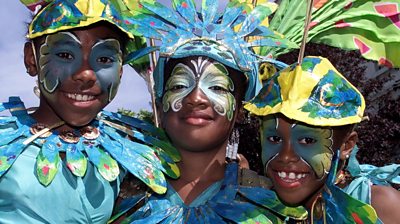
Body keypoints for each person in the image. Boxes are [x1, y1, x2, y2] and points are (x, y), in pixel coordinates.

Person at [113, 0, 309, 223]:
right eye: (179, 86)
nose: (196, 98)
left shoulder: (271, 206)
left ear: (240, 110)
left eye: (216, 87)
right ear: (159, 103)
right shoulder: (115, 194)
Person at [0, 0, 179, 223]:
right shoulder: (4, 147)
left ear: (121, 71)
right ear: (31, 59)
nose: (86, 74)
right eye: (65, 54)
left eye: (104, 59)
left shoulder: (132, 155)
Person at [245, 56, 400, 223]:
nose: (286, 155)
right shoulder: (266, 213)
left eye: (307, 141)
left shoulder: (378, 204)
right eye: (274, 138)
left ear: (347, 145)